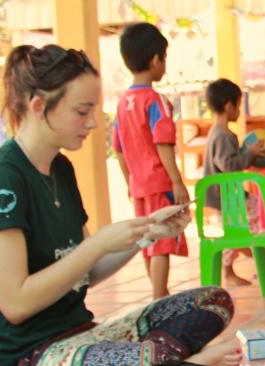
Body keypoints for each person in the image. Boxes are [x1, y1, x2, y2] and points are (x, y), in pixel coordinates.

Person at [0, 45, 240, 366]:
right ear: (39, 107)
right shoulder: (0, 179)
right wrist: (95, 246)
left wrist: (147, 234)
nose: (93, 122)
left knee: (212, 301)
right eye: (82, 110)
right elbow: (15, 303)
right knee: (138, 361)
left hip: (80, 337)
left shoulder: (61, 169)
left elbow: (84, 275)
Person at [112, 22, 189, 300]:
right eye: (164, 58)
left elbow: (118, 149)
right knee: (161, 242)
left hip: (139, 184)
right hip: (159, 181)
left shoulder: (122, 105)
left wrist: (128, 182)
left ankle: (160, 292)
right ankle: (160, 298)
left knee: (147, 240)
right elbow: (163, 142)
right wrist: (177, 181)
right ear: (156, 59)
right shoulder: (155, 101)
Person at [202, 78, 264, 286]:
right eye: (238, 105)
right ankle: (240, 263)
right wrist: (250, 154)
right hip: (226, 198)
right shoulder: (223, 135)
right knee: (257, 215)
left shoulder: (218, 133)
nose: (240, 110)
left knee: (239, 226)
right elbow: (229, 165)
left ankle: (250, 254)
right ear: (229, 106)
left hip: (226, 197)